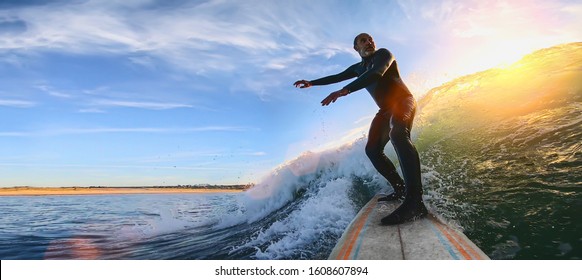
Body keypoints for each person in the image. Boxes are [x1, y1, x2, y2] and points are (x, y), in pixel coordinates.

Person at [293, 33, 427, 225]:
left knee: (398, 133)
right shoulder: (357, 68)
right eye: (363, 40)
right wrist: (312, 83)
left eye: (370, 39)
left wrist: (343, 91)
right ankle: (400, 189)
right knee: (372, 150)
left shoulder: (383, 54)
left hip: (403, 101)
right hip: (385, 110)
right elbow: (336, 76)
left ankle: (415, 202)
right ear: (356, 48)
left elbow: (376, 73)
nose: (369, 42)